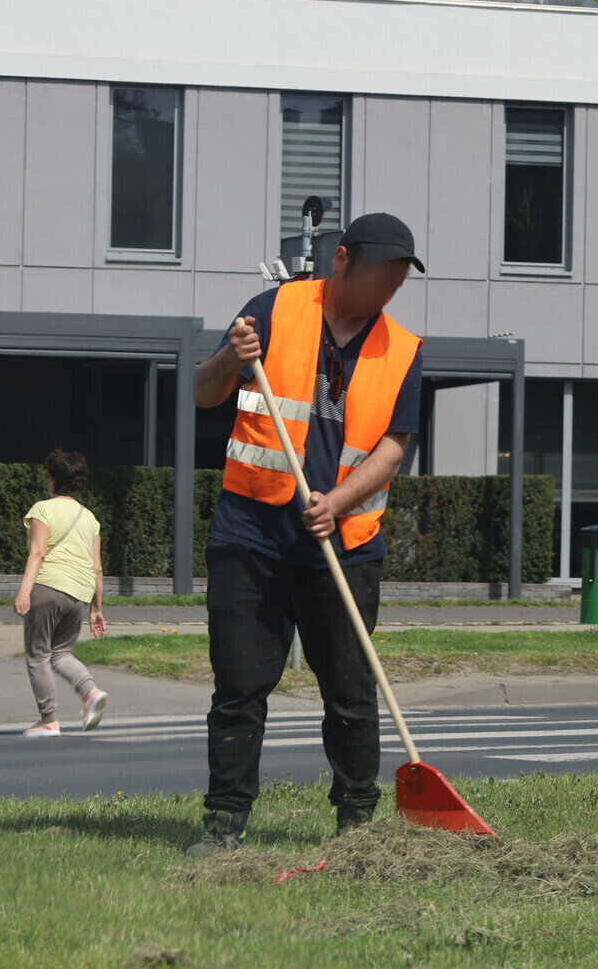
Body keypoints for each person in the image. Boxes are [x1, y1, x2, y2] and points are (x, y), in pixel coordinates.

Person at [184, 212, 425, 859]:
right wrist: (228, 359)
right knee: (239, 688)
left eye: (399, 283)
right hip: (250, 538)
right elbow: (204, 393)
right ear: (342, 260)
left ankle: (357, 828)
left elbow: (392, 448)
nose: (390, 292)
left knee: (351, 695)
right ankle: (224, 824)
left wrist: (337, 503)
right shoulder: (274, 310)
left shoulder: (403, 350)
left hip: (345, 546)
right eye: (382, 278)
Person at [14, 448, 109, 738]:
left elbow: (38, 552)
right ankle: (91, 693)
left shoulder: (43, 509)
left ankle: (49, 720)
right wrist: (96, 609)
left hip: (49, 588)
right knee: (60, 653)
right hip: (80, 594)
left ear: (53, 480)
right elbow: (97, 568)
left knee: (37, 654)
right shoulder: (90, 518)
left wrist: (24, 590)